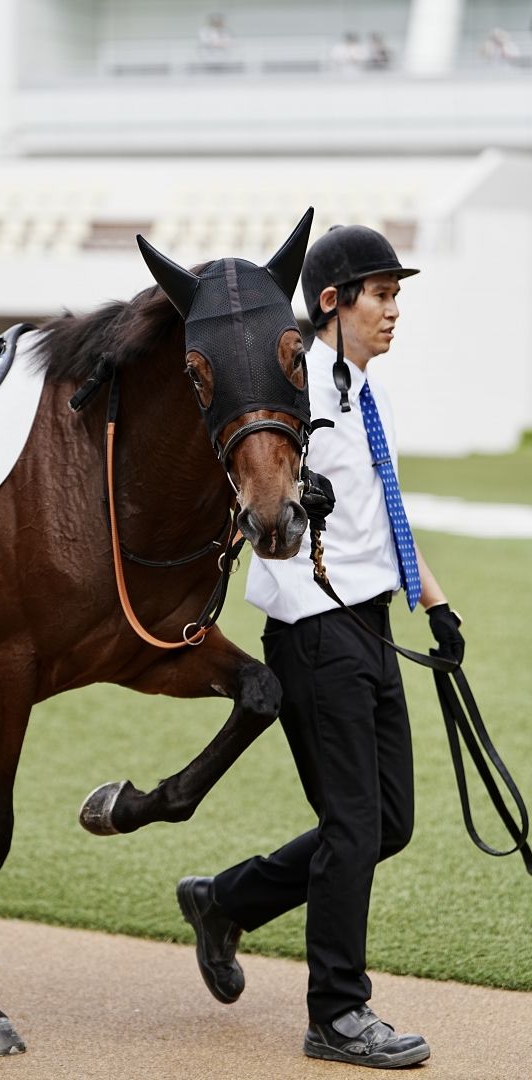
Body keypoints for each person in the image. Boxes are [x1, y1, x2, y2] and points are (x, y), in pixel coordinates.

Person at [177, 225, 465, 1070]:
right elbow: (253, 482)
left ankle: (224, 899)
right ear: (334, 300)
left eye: (397, 294)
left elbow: (377, 519)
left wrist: (433, 602)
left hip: (371, 623)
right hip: (312, 630)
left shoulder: (364, 392)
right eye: (381, 293)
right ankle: (338, 1014)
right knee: (352, 825)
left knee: (391, 825)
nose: (394, 310)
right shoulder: (293, 392)